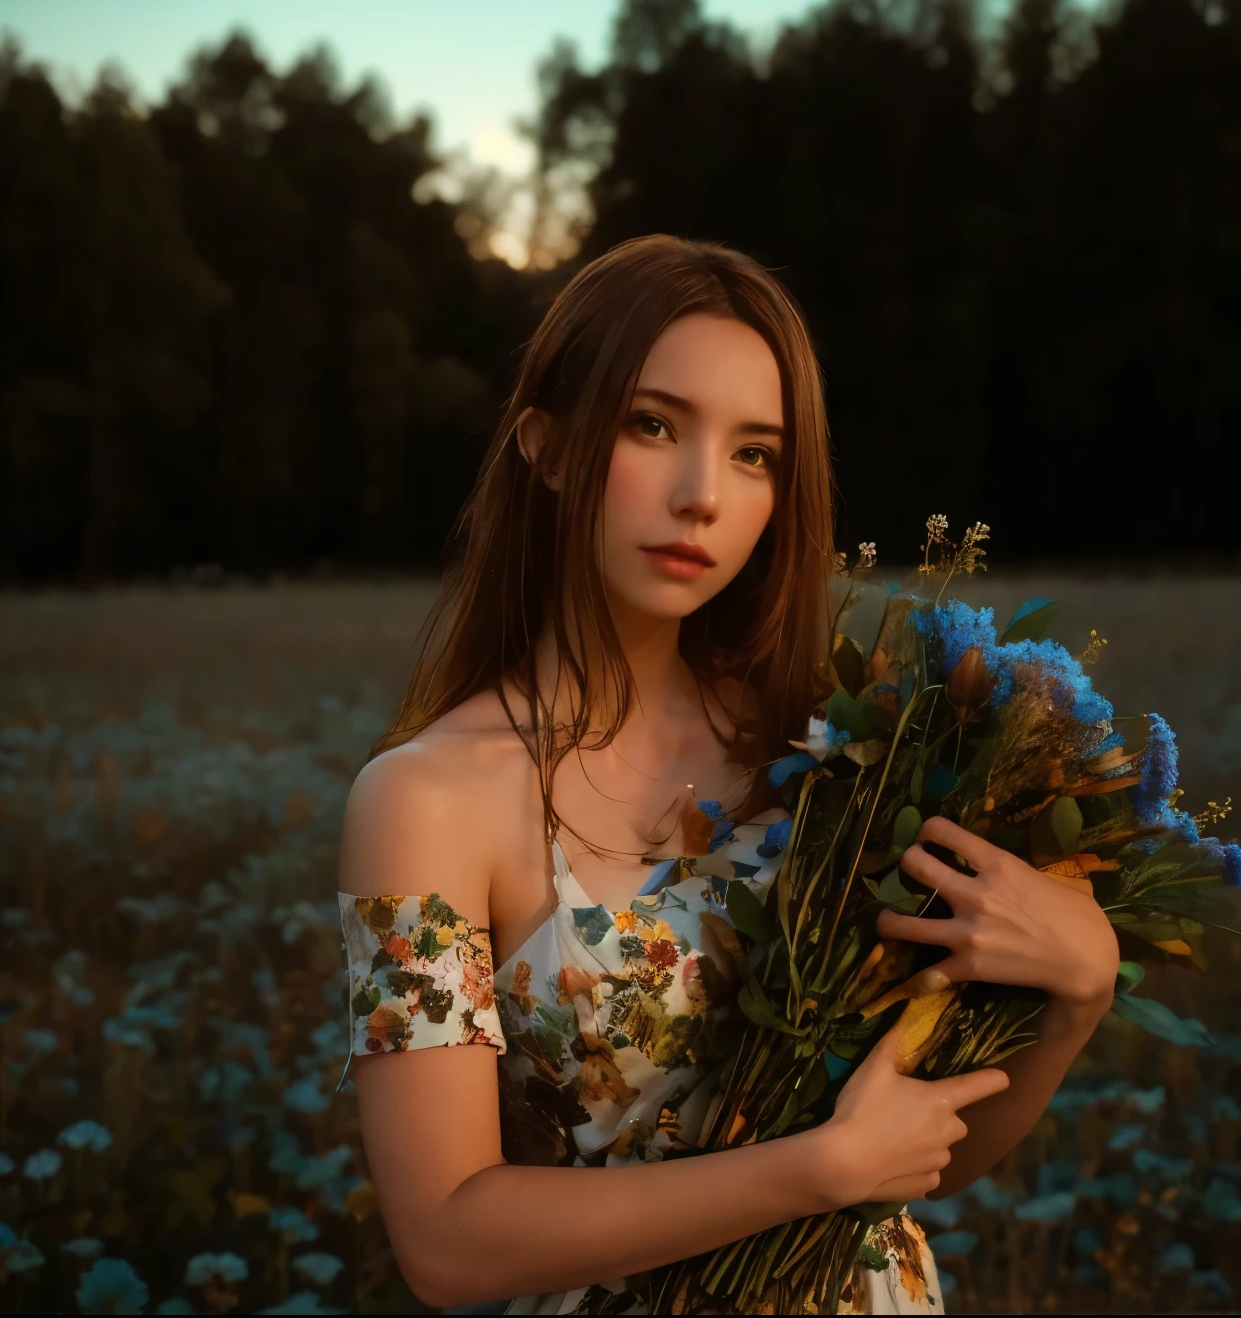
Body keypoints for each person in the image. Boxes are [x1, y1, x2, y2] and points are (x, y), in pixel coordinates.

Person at [337, 235, 1120, 1314]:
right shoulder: (423, 800)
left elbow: (923, 1145)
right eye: (651, 426)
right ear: (547, 446)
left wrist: (1079, 990)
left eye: (754, 453)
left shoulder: (835, 746)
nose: (702, 495)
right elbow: (446, 1240)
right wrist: (812, 1171)